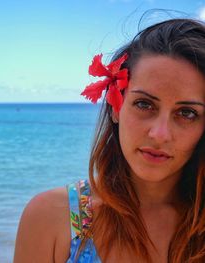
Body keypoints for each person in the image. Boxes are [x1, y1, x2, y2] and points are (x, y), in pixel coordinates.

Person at [13, 17, 205, 263]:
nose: (160, 134)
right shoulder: (52, 218)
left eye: (187, 113)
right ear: (116, 105)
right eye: (144, 104)